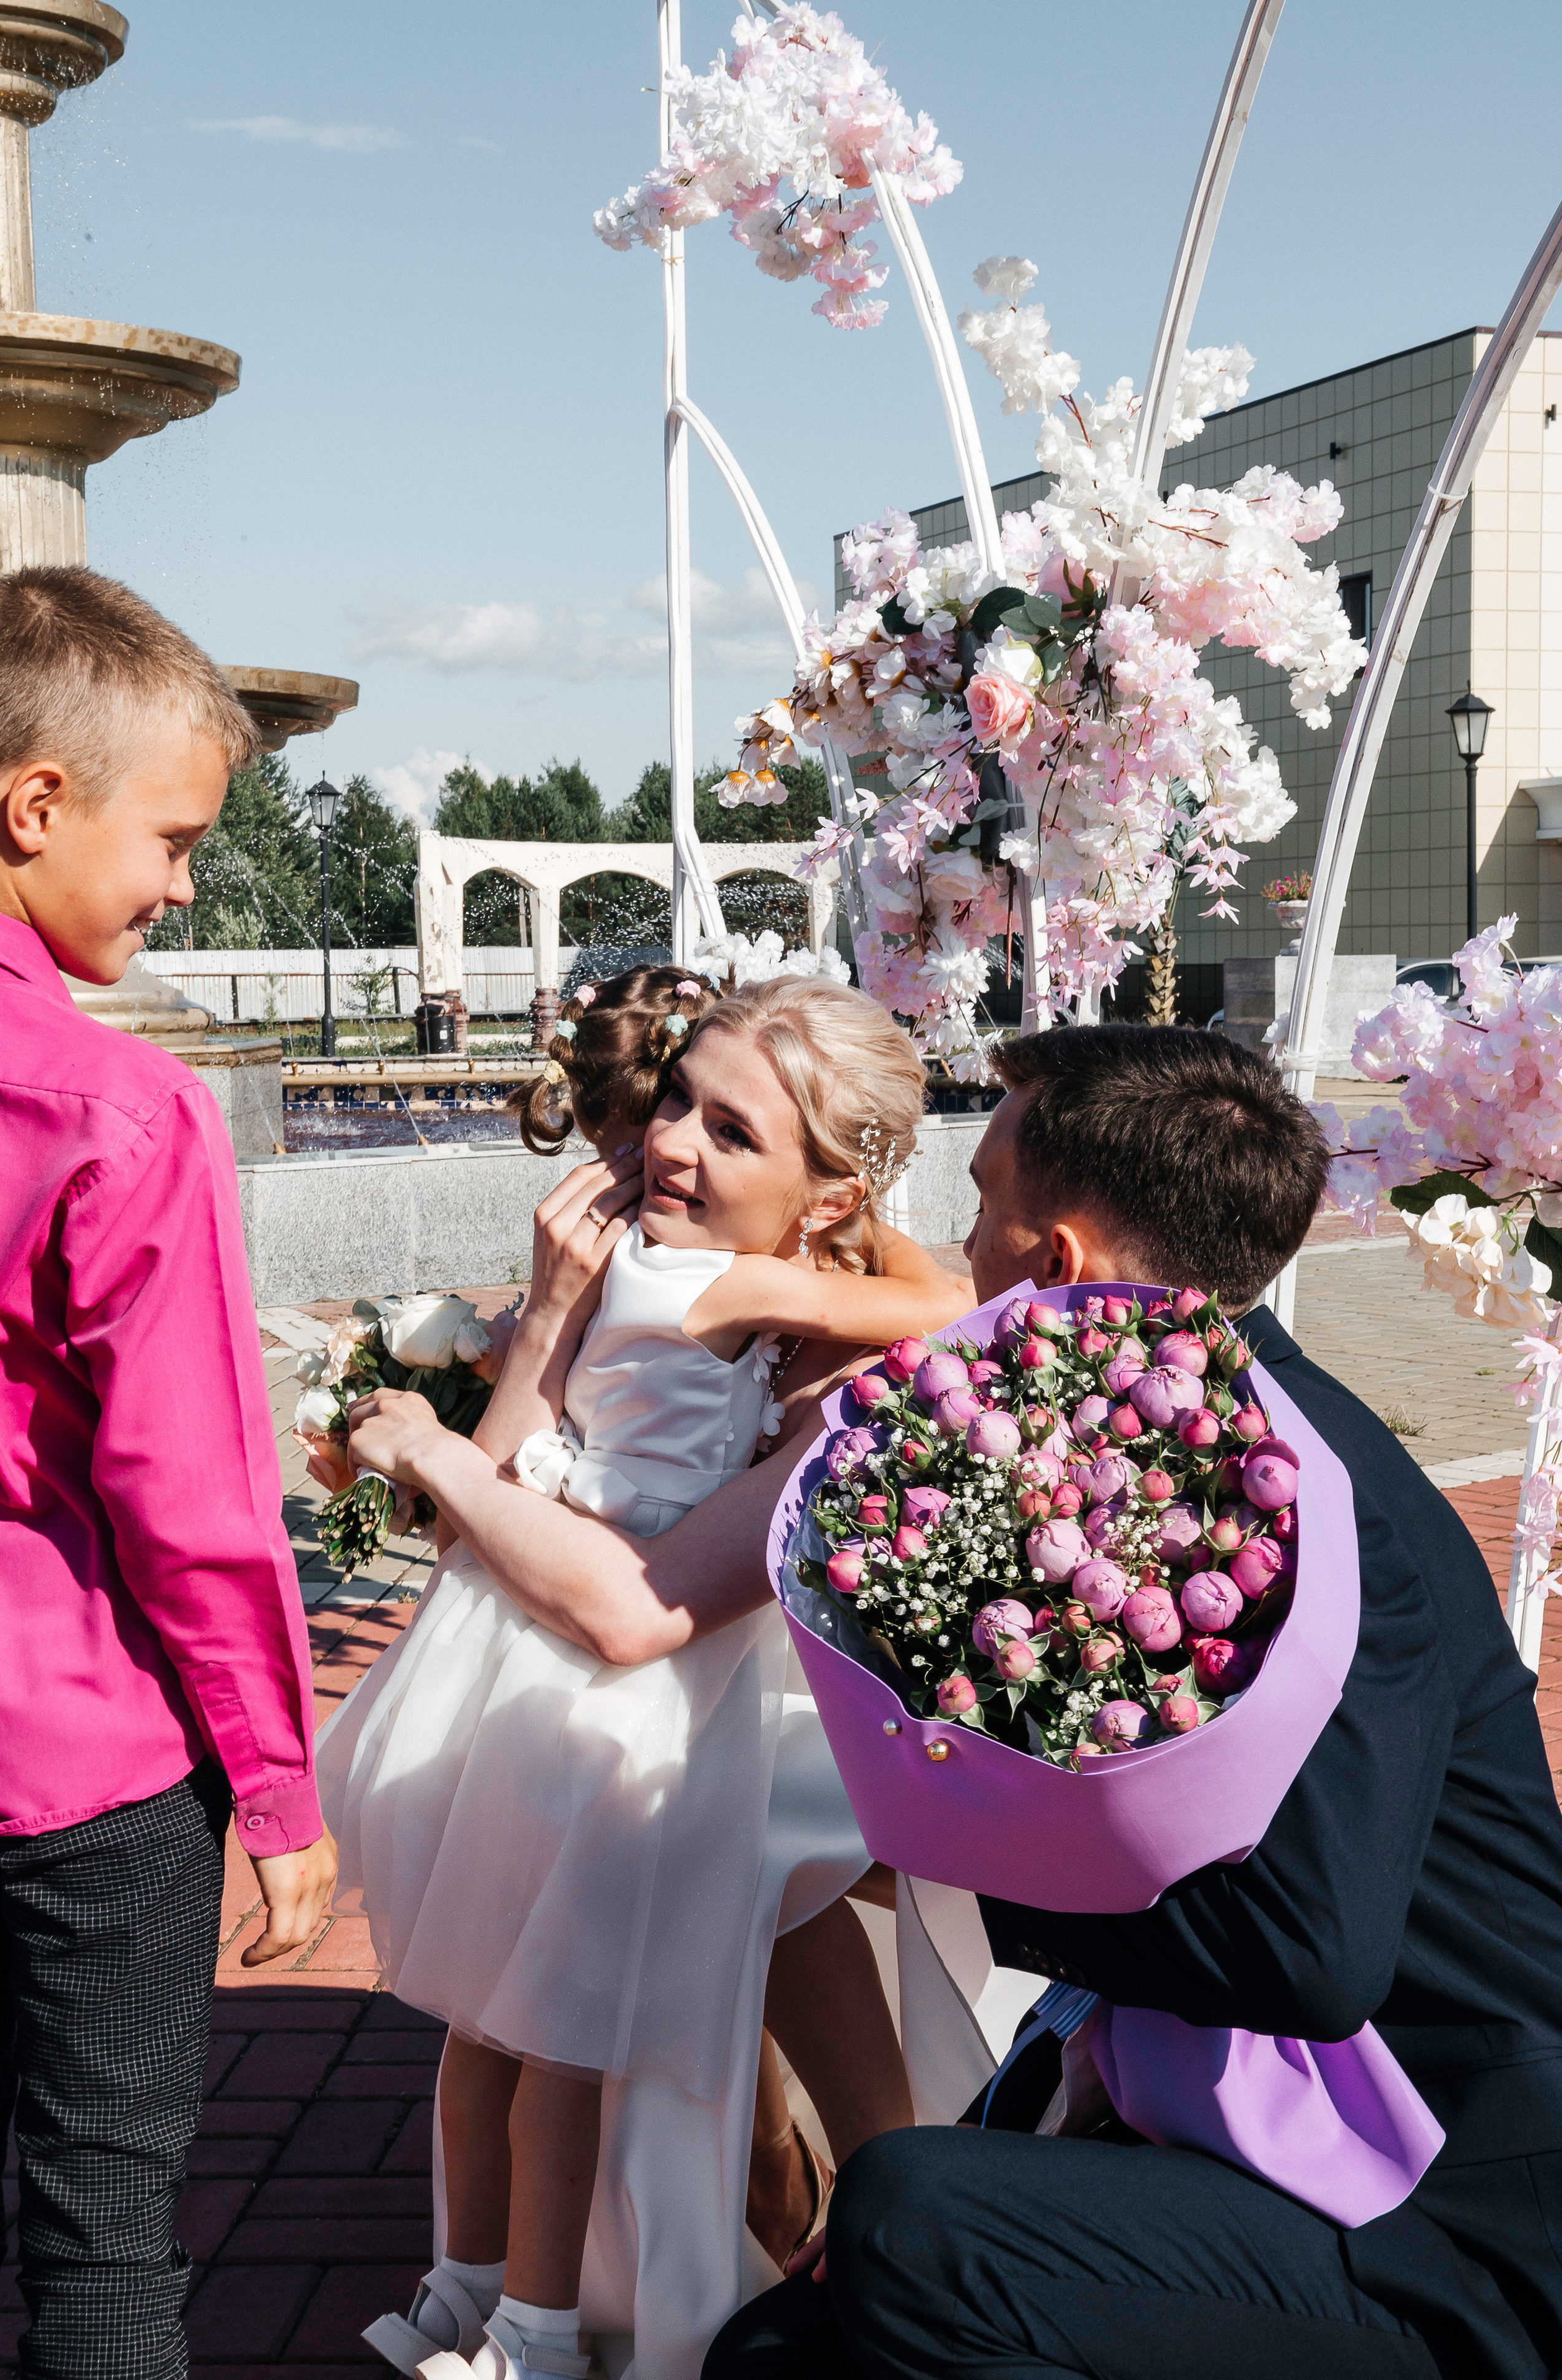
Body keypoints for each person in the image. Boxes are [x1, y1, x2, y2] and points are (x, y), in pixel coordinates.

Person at [701, 1022, 1562, 2380]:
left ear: (1055, 1264)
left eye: (980, 1206)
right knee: (773, 2349)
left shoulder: (1308, 1510)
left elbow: (1312, 1956)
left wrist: (979, 1852)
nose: (960, 1248)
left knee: (908, 2223)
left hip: (1447, 2210)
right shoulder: (1167, 1454)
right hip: (1272, 2120)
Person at [326, 976, 971, 2380]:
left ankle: (485, 2295)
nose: (669, 1141)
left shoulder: (679, 1278)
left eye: (727, 1129)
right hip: (633, 1689)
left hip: (576, 1668)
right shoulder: (716, 1280)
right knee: (559, 2027)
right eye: (678, 1100)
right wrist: (825, 1240)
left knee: (513, 2021)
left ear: (821, 1187)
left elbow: (497, 1506)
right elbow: (950, 1298)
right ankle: (539, 2318)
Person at [0, 567, 336, 2379]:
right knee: (104, 2245)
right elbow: (190, 1502)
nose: (186, 886)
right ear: (36, 806)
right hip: (76, 1764)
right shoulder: (114, 1109)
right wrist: (276, 1789)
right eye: (174, 839)